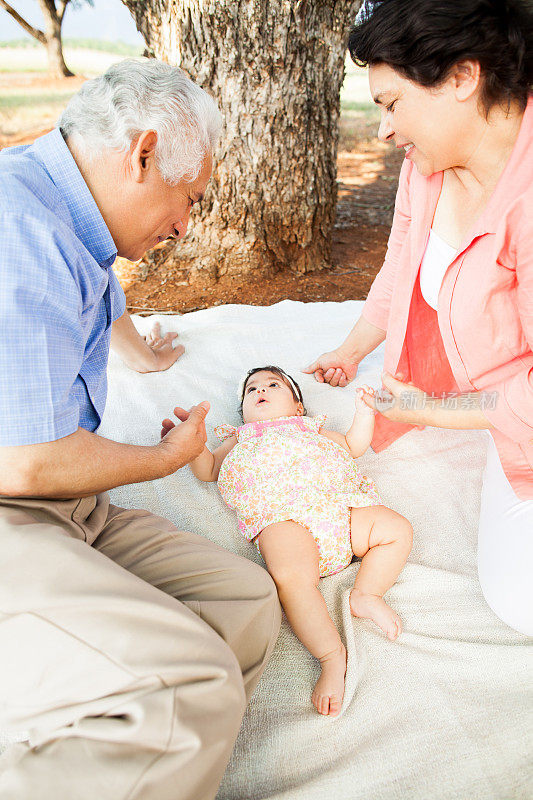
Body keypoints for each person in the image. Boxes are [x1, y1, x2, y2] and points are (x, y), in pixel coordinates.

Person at [0, 59, 280, 800]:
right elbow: (23, 465)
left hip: (63, 509)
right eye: (188, 197)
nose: (186, 224)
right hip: (14, 503)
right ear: (143, 153)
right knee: (192, 680)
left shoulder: (56, 196)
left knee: (244, 605)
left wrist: (137, 351)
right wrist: (160, 460)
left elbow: (87, 278)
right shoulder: (17, 231)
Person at [305, 0, 533, 635]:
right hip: (505, 407)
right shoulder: (424, 168)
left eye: (391, 103)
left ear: (462, 78)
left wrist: (432, 411)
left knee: (523, 604)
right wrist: (352, 350)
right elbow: (400, 268)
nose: (383, 131)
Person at [181, 366, 413, 717]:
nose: (261, 390)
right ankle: (332, 657)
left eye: (274, 385)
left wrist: (364, 413)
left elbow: (354, 445)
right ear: (243, 408)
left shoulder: (314, 430)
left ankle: (367, 594)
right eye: (252, 389)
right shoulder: (240, 438)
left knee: (397, 529)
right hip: (282, 518)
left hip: (339, 510)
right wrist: (194, 443)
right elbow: (207, 470)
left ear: (297, 407)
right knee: (291, 579)